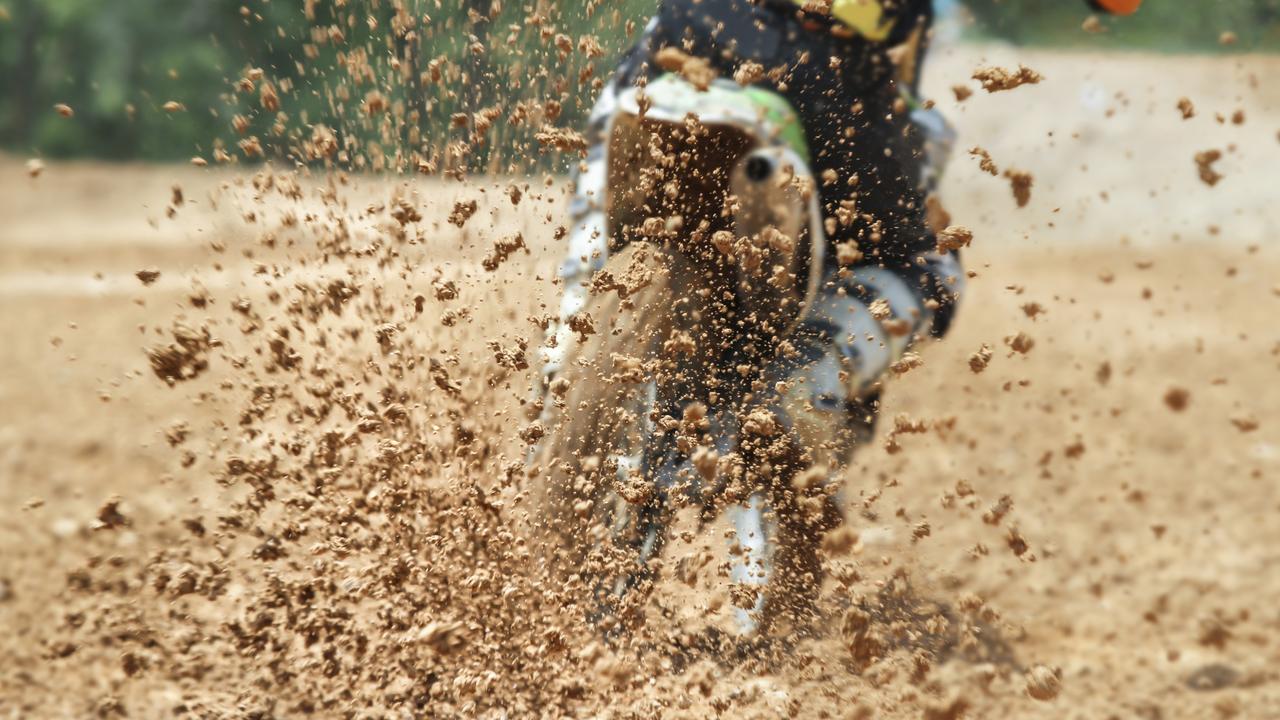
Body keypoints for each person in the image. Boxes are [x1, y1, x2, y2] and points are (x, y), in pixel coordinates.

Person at [541, 0, 1141, 629]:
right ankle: (804, 381)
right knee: (925, 272)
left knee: (594, 249)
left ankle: (564, 365)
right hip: (831, 77)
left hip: (685, 38)